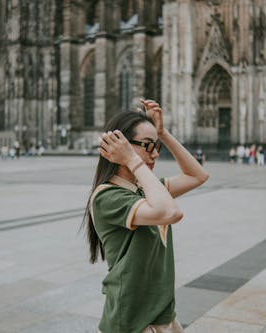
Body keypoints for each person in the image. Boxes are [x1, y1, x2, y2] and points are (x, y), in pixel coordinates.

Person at [83, 99, 209, 333]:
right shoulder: (107, 197)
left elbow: (198, 175)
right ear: (120, 147)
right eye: (148, 146)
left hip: (162, 314)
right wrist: (132, 159)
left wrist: (163, 133)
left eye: (157, 147)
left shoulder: (146, 190)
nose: (155, 155)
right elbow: (170, 212)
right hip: (133, 321)